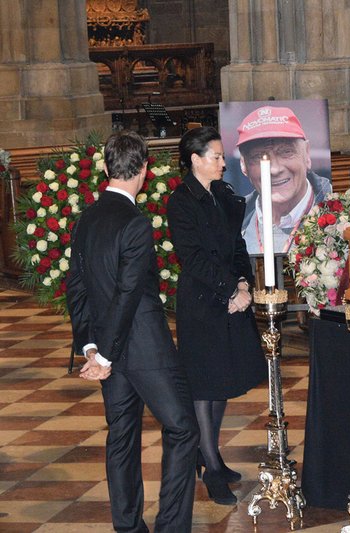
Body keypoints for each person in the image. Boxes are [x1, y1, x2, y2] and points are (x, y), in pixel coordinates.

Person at [66, 131, 199, 532]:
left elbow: (77, 287)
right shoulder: (135, 223)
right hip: (144, 348)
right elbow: (128, 294)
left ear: (107, 168)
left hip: (108, 350)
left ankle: (127, 526)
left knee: (121, 436)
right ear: (143, 169)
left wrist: (92, 348)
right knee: (183, 428)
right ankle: (170, 527)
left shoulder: (85, 219)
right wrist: (103, 355)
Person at [167, 126, 268, 505]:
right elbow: (192, 258)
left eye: (223, 156)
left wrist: (243, 283)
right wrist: (230, 290)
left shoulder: (222, 193)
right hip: (202, 303)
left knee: (223, 380)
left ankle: (210, 454)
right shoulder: (181, 201)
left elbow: (238, 244)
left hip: (230, 296)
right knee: (204, 386)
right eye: (217, 157)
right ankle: (211, 467)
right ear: (195, 160)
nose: (224, 163)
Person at [237, 105, 332, 254]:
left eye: (286, 152)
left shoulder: (340, 214)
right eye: (259, 157)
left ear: (307, 154)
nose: (275, 169)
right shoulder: (233, 223)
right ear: (244, 164)